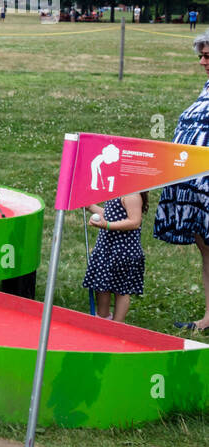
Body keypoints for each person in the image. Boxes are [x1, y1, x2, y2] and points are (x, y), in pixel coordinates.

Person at [155, 32, 209, 332]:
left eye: (207, 56)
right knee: (206, 250)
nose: (202, 62)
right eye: (200, 56)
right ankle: (208, 316)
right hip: (198, 187)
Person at [84, 193, 147, 323]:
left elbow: (135, 221)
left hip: (123, 252)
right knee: (102, 285)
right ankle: (103, 318)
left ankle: (117, 324)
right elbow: (111, 213)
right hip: (108, 249)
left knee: (121, 290)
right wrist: (90, 207)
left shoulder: (132, 195)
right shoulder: (119, 191)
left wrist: (106, 225)